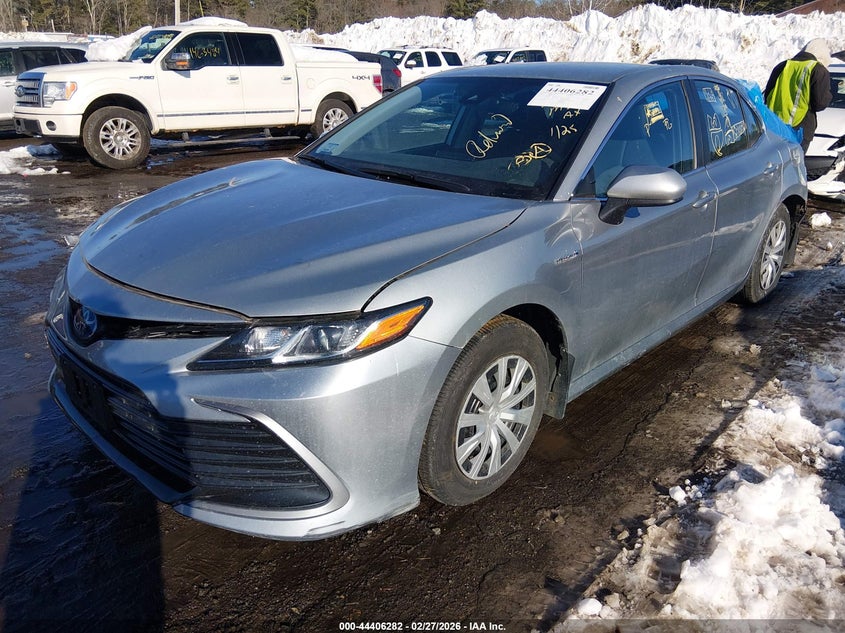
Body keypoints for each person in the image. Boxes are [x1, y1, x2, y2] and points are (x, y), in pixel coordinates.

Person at [764, 39, 833, 152]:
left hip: (775, 126)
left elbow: (767, 95)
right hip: (801, 129)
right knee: (796, 162)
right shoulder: (818, 70)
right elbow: (820, 103)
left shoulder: (782, 66)